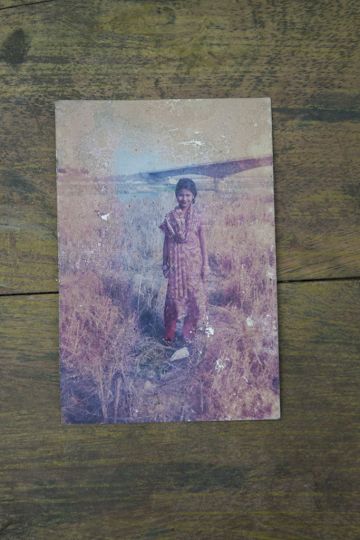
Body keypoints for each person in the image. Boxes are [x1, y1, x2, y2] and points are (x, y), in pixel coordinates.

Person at [159, 177, 209, 345]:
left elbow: (203, 242)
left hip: (194, 265)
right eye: (181, 195)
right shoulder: (170, 218)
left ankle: (188, 335)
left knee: (194, 299)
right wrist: (164, 263)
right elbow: (166, 242)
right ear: (176, 196)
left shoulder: (199, 217)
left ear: (194, 196)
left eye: (188, 195)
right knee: (173, 300)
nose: (184, 199)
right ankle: (169, 335)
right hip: (175, 265)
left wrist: (206, 265)